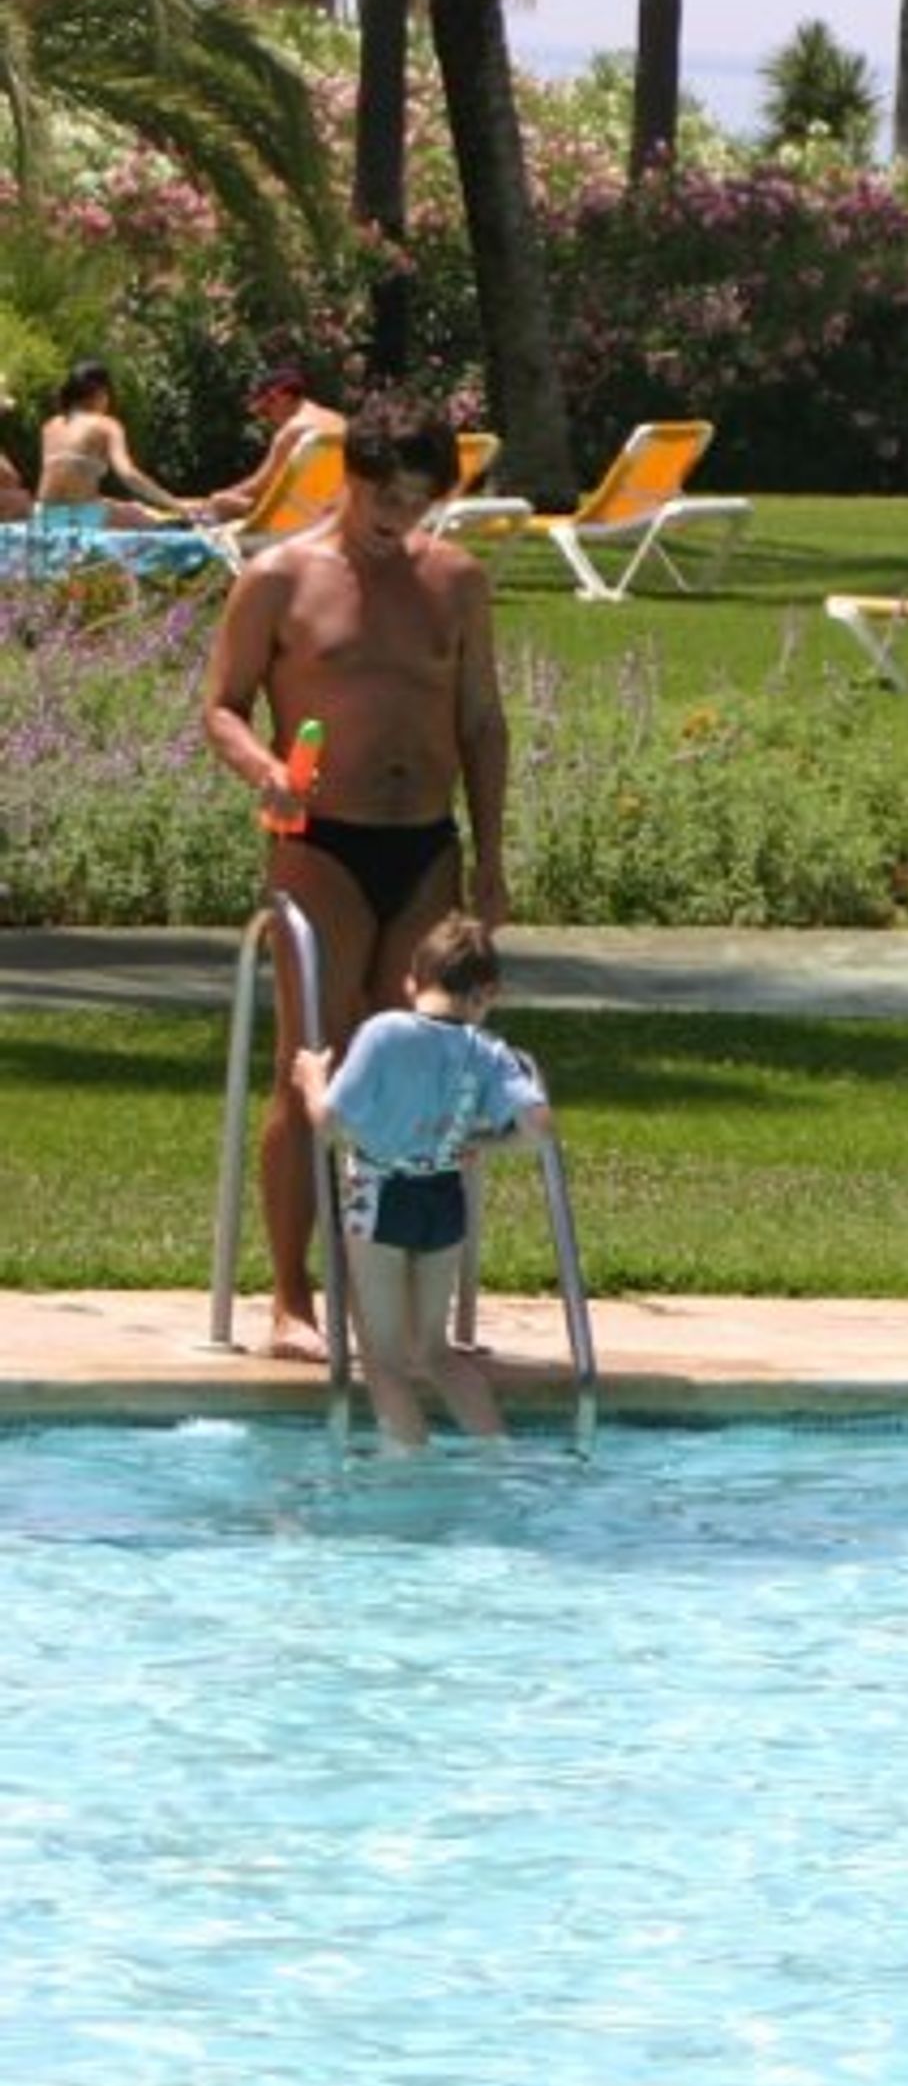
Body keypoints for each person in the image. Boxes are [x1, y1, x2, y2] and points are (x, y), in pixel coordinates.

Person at [198, 396, 510, 1366]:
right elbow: (220, 708)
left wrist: (493, 861)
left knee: (417, 1078)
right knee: (311, 1070)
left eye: (420, 501)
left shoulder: (457, 582)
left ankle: (394, 1300)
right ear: (348, 475)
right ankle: (291, 1301)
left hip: (426, 847)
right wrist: (269, 774)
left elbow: (482, 724)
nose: (398, 516)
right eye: (385, 493)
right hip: (321, 848)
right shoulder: (278, 578)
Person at [289, 913, 551, 1447]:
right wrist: (482, 1142)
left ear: (413, 981)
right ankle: (498, 1456)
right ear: (489, 992)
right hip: (445, 1202)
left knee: (384, 1361)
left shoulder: (385, 1033)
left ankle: (405, 1477)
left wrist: (312, 1079)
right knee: (435, 1351)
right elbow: (539, 1128)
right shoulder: (488, 1051)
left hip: (380, 1197)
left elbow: (328, 1125)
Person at [35, 361, 191, 527]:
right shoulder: (107, 425)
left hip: (44, 516)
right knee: (146, 519)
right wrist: (175, 504)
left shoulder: (50, 426)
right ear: (100, 393)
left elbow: (68, 482)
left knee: (126, 507)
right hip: (81, 518)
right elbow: (128, 475)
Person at [192, 364, 347, 524]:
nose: (268, 420)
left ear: (280, 397)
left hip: (290, 521)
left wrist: (215, 499)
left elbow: (259, 486)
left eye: (265, 411)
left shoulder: (292, 431)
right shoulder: (339, 422)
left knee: (219, 502)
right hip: (330, 517)